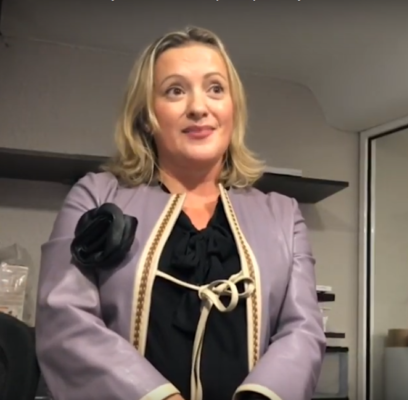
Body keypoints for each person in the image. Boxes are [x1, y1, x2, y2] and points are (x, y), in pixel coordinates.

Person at [34, 26, 326, 400]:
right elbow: (63, 317)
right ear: (146, 115)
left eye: (215, 89)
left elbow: (302, 329)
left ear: (233, 109)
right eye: (175, 90)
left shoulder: (283, 215)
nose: (199, 107)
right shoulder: (94, 195)